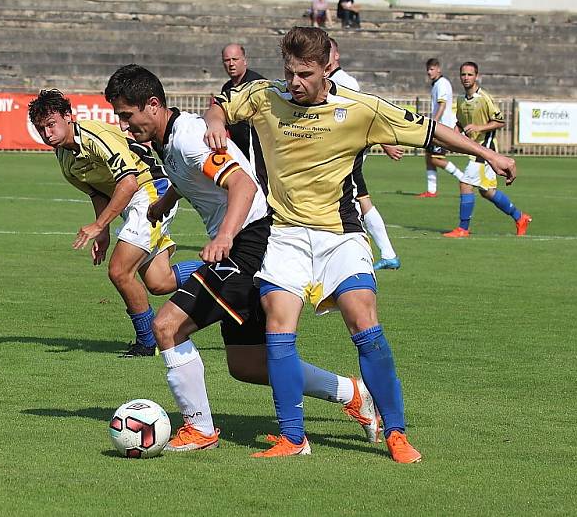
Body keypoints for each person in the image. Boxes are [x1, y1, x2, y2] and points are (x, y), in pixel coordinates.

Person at [205, 27, 517, 461]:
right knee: (278, 328)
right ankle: (294, 439)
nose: (295, 82)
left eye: (305, 74)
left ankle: (396, 432)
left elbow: (432, 131)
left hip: (340, 235)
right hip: (287, 235)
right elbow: (220, 103)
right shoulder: (264, 94)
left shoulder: (361, 109)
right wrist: (216, 124)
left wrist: (490, 156)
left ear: (327, 69)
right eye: (290, 72)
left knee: (363, 321)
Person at [105, 64, 381, 452]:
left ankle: (199, 430)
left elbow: (243, 184)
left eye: (127, 116)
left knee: (167, 327)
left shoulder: (189, 138)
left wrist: (224, 236)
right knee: (248, 366)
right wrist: (163, 203)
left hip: (249, 243)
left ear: (153, 105)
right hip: (247, 242)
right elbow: (188, 178)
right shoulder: (168, 140)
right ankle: (351, 393)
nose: (124, 125)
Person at [28, 89, 202, 357]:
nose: (47, 133)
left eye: (51, 125)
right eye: (41, 129)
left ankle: (147, 342)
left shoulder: (94, 135)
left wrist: (98, 225)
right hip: (131, 201)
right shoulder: (64, 157)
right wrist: (103, 232)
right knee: (159, 282)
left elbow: (129, 182)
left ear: (68, 116)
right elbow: (97, 192)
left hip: (151, 192)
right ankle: (222, 268)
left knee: (119, 271)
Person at [327, 36, 402, 270]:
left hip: (348, 151)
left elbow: (364, 113)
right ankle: (385, 253)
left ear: (336, 55)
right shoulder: (327, 80)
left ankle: (372, 253)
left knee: (357, 198)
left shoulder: (344, 81)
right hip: (335, 150)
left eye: (327, 51)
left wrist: (384, 140)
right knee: (358, 198)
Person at [443, 62, 532, 238]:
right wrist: (452, 137)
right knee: (487, 192)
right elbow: (460, 123)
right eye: (463, 74)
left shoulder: (484, 98)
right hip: (475, 150)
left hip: (486, 150)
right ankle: (520, 217)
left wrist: (479, 127)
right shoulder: (461, 99)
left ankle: (463, 229)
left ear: (476, 76)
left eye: (470, 74)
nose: (466, 78)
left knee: (465, 183)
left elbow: (500, 121)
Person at [220, 43, 267, 190]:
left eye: (235, 59)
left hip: (258, 154)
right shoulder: (226, 88)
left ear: (245, 60)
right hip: (239, 151)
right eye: (227, 60)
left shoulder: (258, 84)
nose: (231, 64)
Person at [418, 58, 466, 198]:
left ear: (439, 69)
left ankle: (463, 178)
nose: (429, 72)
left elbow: (442, 105)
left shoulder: (442, 84)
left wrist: (434, 123)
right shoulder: (436, 84)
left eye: (432, 69)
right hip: (438, 125)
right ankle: (431, 191)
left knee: (436, 158)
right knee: (429, 157)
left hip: (442, 126)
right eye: (428, 69)